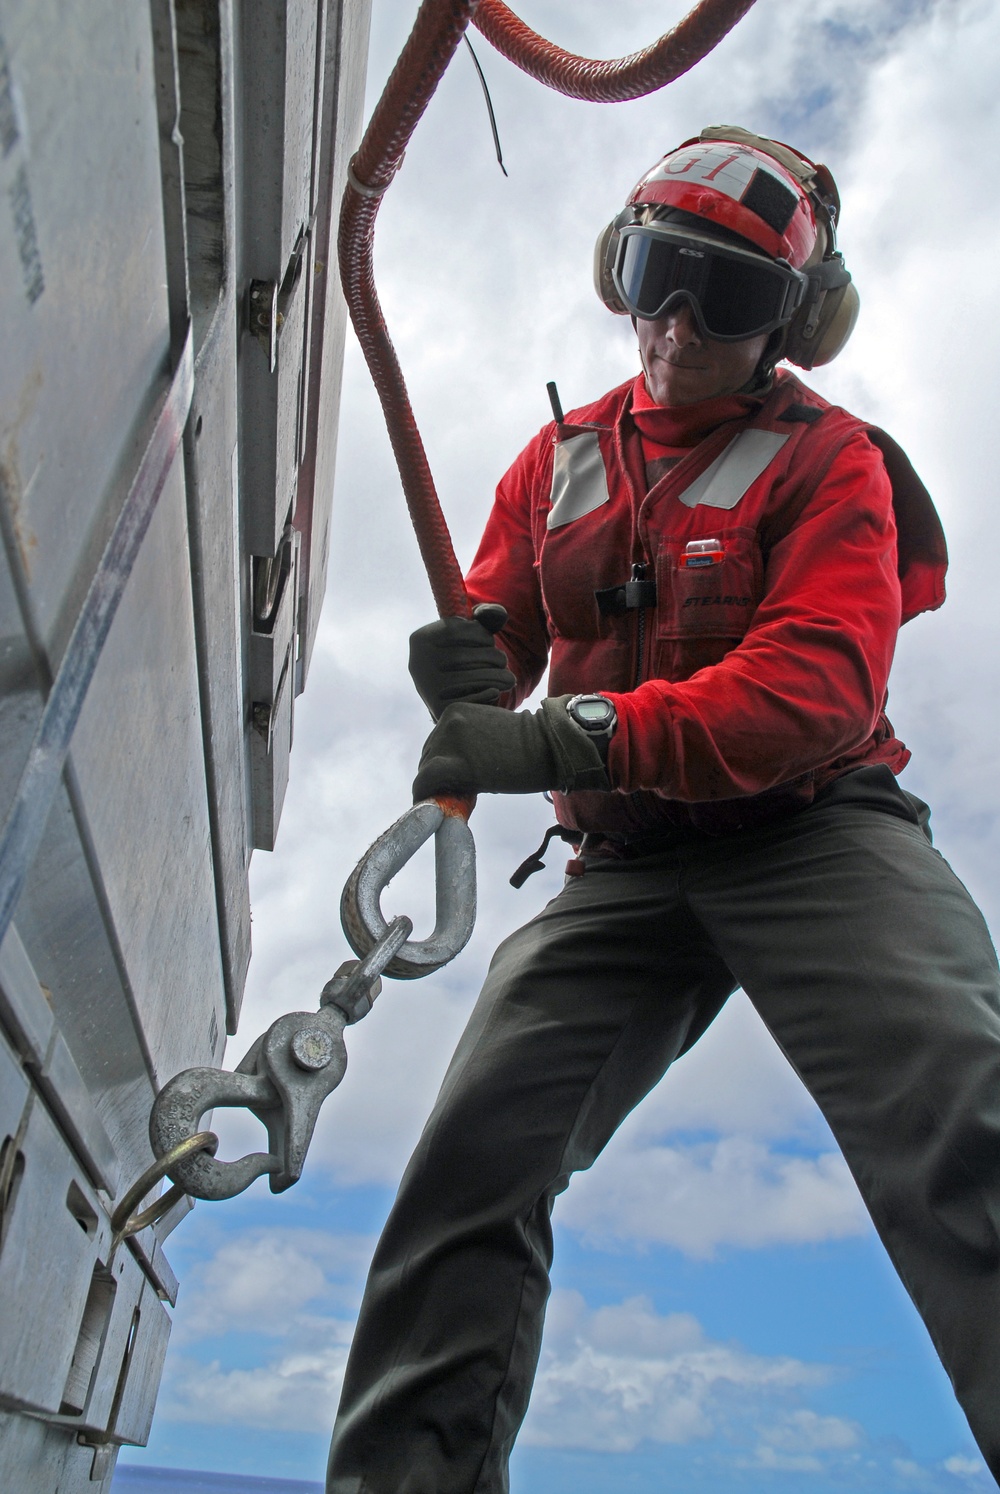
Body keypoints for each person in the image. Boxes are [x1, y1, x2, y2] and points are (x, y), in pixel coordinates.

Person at [328, 126, 1000, 1493]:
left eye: (727, 295)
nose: (678, 324)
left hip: (818, 833)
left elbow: (808, 691)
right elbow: (499, 622)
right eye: (655, 276)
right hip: (624, 863)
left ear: (790, 326)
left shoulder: (836, 467)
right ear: (616, 278)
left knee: (965, 1117)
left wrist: (570, 730)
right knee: (468, 1171)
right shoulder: (556, 461)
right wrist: (467, 662)